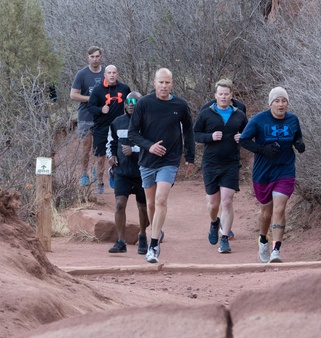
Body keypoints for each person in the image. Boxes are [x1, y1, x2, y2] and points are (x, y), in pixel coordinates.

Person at [127, 68, 194, 263]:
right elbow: (133, 133)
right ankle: (157, 229)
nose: (164, 86)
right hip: (147, 161)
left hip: (169, 160)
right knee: (151, 204)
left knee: (161, 199)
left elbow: (188, 130)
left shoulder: (180, 105)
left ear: (172, 83)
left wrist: (189, 156)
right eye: (161, 82)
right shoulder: (144, 103)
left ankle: (153, 245)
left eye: (167, 82)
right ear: (154, 83)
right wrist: (150, 146)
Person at [239, 86, 304, 264]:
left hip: (285, 170)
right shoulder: (259, 120)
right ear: (270, 103)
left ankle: (276, 249)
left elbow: (297, 136)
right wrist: (263, 150)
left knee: (279, 209)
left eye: (284, 101)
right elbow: (244, 140)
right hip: (263, 173)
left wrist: (299, 144)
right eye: (277, 101)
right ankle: (263, 240)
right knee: (266, 213)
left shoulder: (293, 119)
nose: (281, 104)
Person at [194, 79, 248, 254]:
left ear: (231, 96)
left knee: (227, 201)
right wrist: (210, 137)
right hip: (210, 163)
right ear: (215, 96)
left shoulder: (239, 115)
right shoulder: (206, 113)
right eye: (221, 94)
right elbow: (195, 134)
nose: (223, 97)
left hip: (231, 163)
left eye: (226, 94)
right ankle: (214, 222)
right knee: (213, 203)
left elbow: (248, 133)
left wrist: (242, 137)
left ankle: (224, 238)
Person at [106, 91, 150, 254]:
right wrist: (111, 156)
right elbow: (111, 142)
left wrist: (134, 150)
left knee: (143, 207)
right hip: (122, 171)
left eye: (135, 102)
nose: (131, 105)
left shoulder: (147, 123)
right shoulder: (117, 122)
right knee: (119, 204)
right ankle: (121, 242)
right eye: (129, 102)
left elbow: (150, 145)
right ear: (124, 104)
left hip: (142, 171)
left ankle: (143, 236)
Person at [87, 65, 131, 194]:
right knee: (100, 157)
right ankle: (99, 183)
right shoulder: (97, 90)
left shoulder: (124, 88)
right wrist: (101, 109)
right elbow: (90, 107)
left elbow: (131, 103)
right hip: (101, 128)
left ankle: (115, 175)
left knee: (119, 154)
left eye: (114, 73)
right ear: (105, 75)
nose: (112, 75)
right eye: (109, 73)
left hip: (119, 128)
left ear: (117, 74)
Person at [68, 46, 104, 187]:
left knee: (100, 148)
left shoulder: (106, 73)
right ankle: (84, 174)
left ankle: (97, 173)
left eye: (97, 56)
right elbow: (73, 95)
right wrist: (91, 99)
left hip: (102, 117)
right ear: (87, 57)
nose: (94, 59)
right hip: (85, 116)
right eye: (92, 57)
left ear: (101, 57)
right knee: (86, 147)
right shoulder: (82, 74)